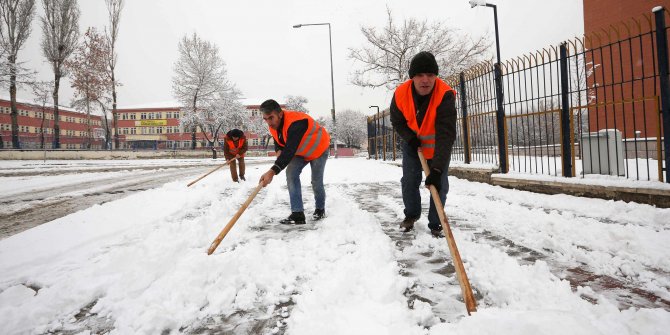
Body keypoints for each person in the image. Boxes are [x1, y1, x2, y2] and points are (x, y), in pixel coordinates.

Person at [390, 51, 457, 238]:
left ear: (436, 76)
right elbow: (397, 121)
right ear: (412, 77)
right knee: (409, 181)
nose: (425, 80)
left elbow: (446, 134)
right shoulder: (400, 94)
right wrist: (409, 138)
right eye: (420, 75)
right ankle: (411, 215)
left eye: (430, 75)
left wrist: (436, 170)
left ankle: (436, 223)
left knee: (439, 185)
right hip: (413, 146)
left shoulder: (445, 95)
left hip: (438, 148)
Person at [258, 99, 330, 224]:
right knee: (291, 174)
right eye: (265, 119)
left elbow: (290, 150)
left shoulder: (296, 122)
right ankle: (297, 213)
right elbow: (278, 141)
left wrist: (272, 171)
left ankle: (320, 209)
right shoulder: (273, 125)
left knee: (316, 181)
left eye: (271, 118)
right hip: (301, 151)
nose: (269, 122)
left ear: (280, 114)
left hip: (318, 148)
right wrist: (278, 151)